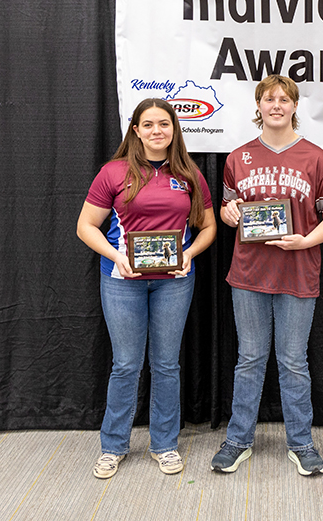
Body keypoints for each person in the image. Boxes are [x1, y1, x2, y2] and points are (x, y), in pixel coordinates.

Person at [211, 75, 323, 476]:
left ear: (294, 106)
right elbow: (226, 209)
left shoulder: (316, 158)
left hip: (299, 272)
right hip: (249, 274)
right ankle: (238, 440)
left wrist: (305, 242)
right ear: (258, 106)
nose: (276, 105)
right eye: (268, 99)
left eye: (284, 99)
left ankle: (301, 442)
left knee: (293, 362)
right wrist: (230, 213)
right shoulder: (238, 158)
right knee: (249, 359)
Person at [77, 98, 216, 479]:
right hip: (122, 282)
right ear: (136, 130)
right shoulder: (114, 172)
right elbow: (86, 226)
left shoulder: (188, 173)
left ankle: (165, 444)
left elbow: (209, 227)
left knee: (167, 364)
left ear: (174, 129)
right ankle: (113, 446)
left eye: (165, 124)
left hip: (175, 282)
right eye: (149, 124)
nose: (158, 131)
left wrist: (190, 253)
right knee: (125, 364)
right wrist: (115, 256)